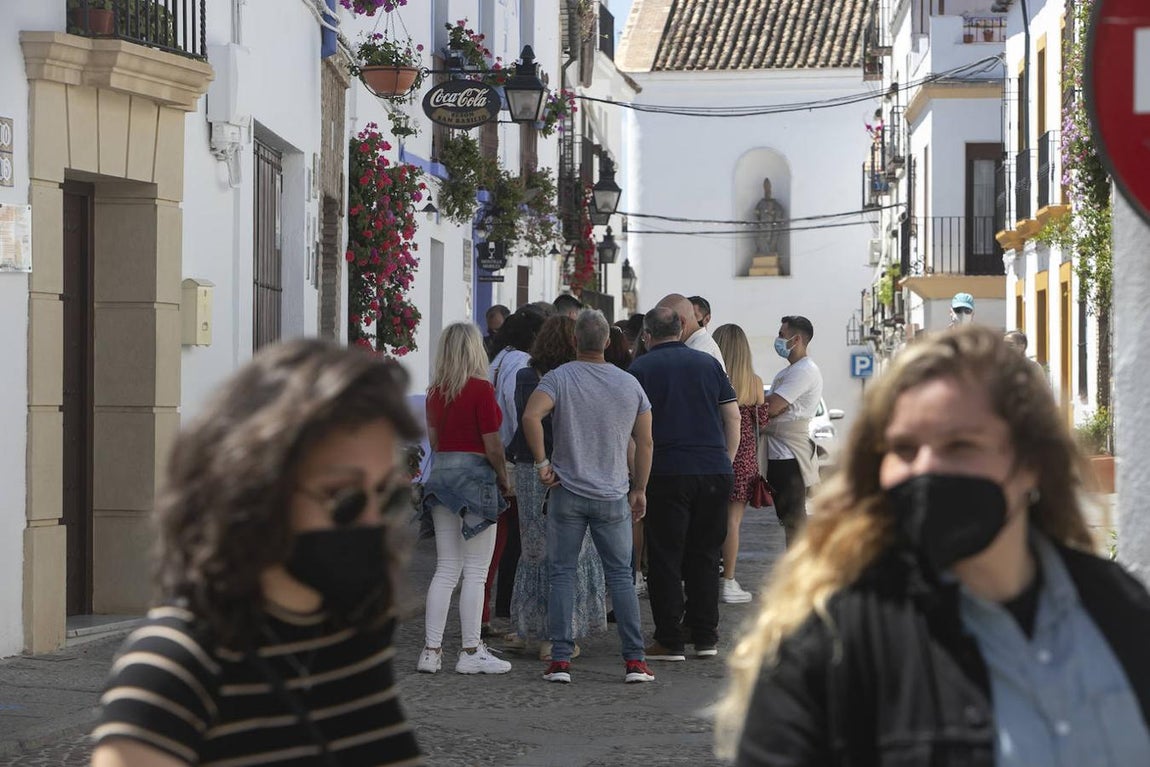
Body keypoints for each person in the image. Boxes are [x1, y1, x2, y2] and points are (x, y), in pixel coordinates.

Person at [718, 324, 1150, 765]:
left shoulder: (1116, 608)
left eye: (961, 444)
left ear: (1032, 464)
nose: (926, 467)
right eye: (904, 448)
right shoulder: (828, 644)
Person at [90, 339, 423, 766]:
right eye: (344, 500)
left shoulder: (355, 630)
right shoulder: (173, 668)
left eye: (387, 496)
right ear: (256, 493)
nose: (373, 522)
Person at [522, 309, 657, 685]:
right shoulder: (629, 384)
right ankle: (634, 661)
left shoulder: (559, 378)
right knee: (620, 578)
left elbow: (532, 417)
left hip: (566, 490)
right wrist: (640, 488)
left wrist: (541, 464)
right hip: (613, 493)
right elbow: (645, 441)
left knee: (562, 574)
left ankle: (561, 660)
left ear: (574, 341)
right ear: (609, 342)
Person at [629, 307, 741, 661]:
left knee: (665, 556)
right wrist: (726, 458)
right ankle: (705, 635)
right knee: (706, 555)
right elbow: (733, 415)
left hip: (666, 469)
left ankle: (669, 639)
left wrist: (637, 480)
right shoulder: (709, 365)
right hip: (712, 468)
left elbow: (633, 431)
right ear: (681, 329)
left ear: (647, 334)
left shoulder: (640, 369)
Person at [506, 316, 607, 659]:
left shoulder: (526, 375)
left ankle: (526, 627)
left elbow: (526, 417)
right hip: (569, 466)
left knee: (533, 548)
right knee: (570, 550)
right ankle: (557, 634)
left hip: (529, 465)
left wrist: (538, 461)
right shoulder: (577, 378)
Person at [418, 323, 512, 675]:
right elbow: (492, 443)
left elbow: (436, 441)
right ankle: (471, 650)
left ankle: (431, 651)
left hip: (442, 481)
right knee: (476, 570)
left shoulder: (435, 393)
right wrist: (504, 478)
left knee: (445, 568)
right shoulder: (481, 390)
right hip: (476, 481)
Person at [484, 309, 546, 635]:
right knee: (517, 542)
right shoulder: (522, 363)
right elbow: (516, 408)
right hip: (511, 455)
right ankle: (508, 607)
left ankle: (495, 607)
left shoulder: (499, 358)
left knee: (501, 540)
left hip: (497, 450)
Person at [711, 323, 769, 604]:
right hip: (744, 459)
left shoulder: (710, 378)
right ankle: (729, 581)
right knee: (733, 522)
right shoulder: (754, 383)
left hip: (712, 455)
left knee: (706, 521)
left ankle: (707, 575)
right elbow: (763, 421)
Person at [763, 315, 823, 547]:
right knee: (788, 519)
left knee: (794, 520)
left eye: (781, 335)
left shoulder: (804, 371)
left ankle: (801, 574)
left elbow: (772, 406)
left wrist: (768, 405)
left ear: (796, 339)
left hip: (790, 457)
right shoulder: (787, 372)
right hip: (778, 456)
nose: (777, 339)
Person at [656, 293, 726, 372]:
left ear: (682, 322)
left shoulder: (695, 354)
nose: (658, 332)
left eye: (662, 325)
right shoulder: (699, 348)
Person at [754, 177, 787, 256]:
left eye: (768, 187)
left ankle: (772, 251)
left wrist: (773, 212)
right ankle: (762, 251)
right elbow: (756, 215)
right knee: (760, 238)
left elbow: (780, 212)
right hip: (763, 227)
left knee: (772, 242)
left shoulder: (776, 205)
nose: (767, 190)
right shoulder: (760, 204)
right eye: (765, 187)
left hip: (772, 228)